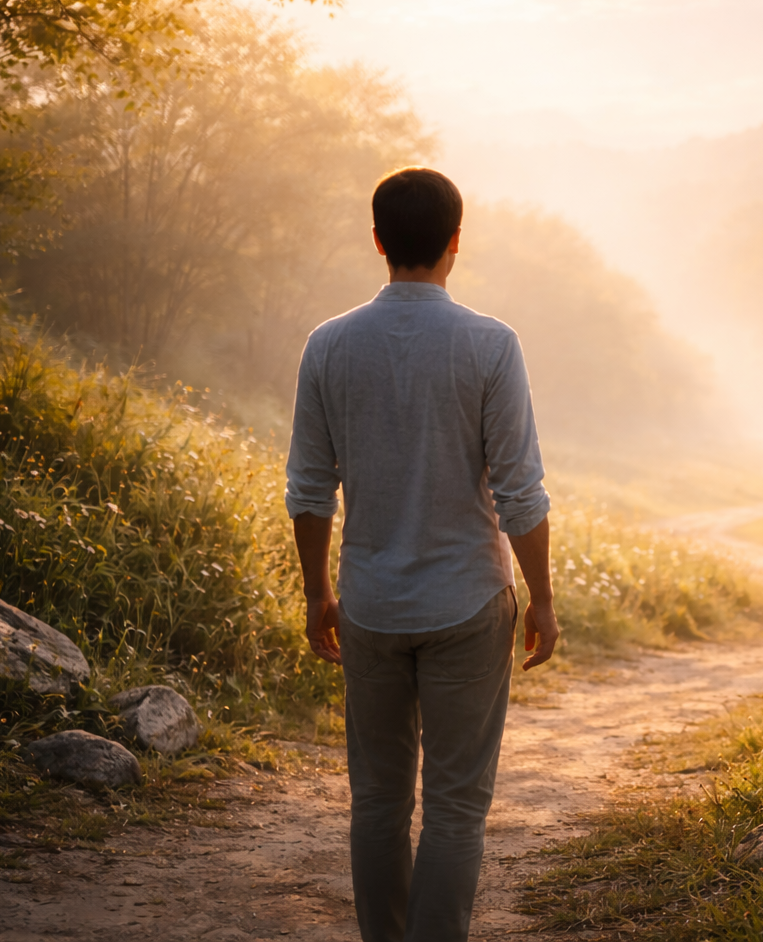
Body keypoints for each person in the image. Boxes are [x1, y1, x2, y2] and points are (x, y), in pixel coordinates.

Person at [284, 166, 558, 942]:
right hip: (468, 602)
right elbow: (520, 493)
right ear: (455, 242)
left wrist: (317, 593)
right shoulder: (491, 345)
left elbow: (309, 488)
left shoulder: (328, 345)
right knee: (456, 807)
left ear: (378, 241)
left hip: (370, 605)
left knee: (377, 801)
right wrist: (541, 598)